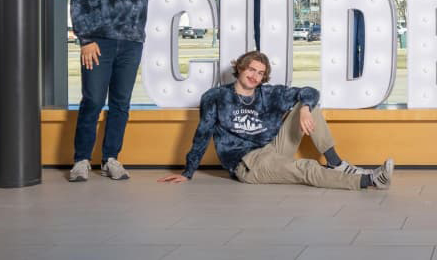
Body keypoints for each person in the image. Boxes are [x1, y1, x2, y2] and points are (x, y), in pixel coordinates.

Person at [69, 0, 189, 182]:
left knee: (121, 103)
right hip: (99, 43)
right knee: (93, 101)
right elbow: (78, 0)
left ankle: (111, 158)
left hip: (132, 43)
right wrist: (85, 40)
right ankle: (81, 160)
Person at [158, 51, 394, 190]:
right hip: (248, 163)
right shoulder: (217, 97)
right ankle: (370, 181)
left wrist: (304, 108)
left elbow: (310, 91)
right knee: (307, 168)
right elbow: (202, 134)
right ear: (240, 69)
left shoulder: (268, 93)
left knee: (309, 105)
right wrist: (188, 172)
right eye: (251, 70)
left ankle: (336, 162)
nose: (254, 77)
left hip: (273, 148)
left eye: (260, 73)